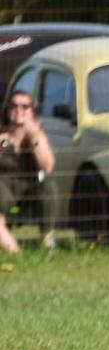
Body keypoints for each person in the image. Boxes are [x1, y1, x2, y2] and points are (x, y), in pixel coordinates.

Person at [0, 90, 55, 254]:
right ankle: (16, 254)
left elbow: (48, 167)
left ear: (32, 111)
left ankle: (48, 243)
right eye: (14, 105)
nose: (19, 110)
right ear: (8, 110)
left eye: (25, 106)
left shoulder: (38, 136)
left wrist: (34, 137)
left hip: (30, 190)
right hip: (4, 189)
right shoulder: (2, 135)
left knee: (49, 187)